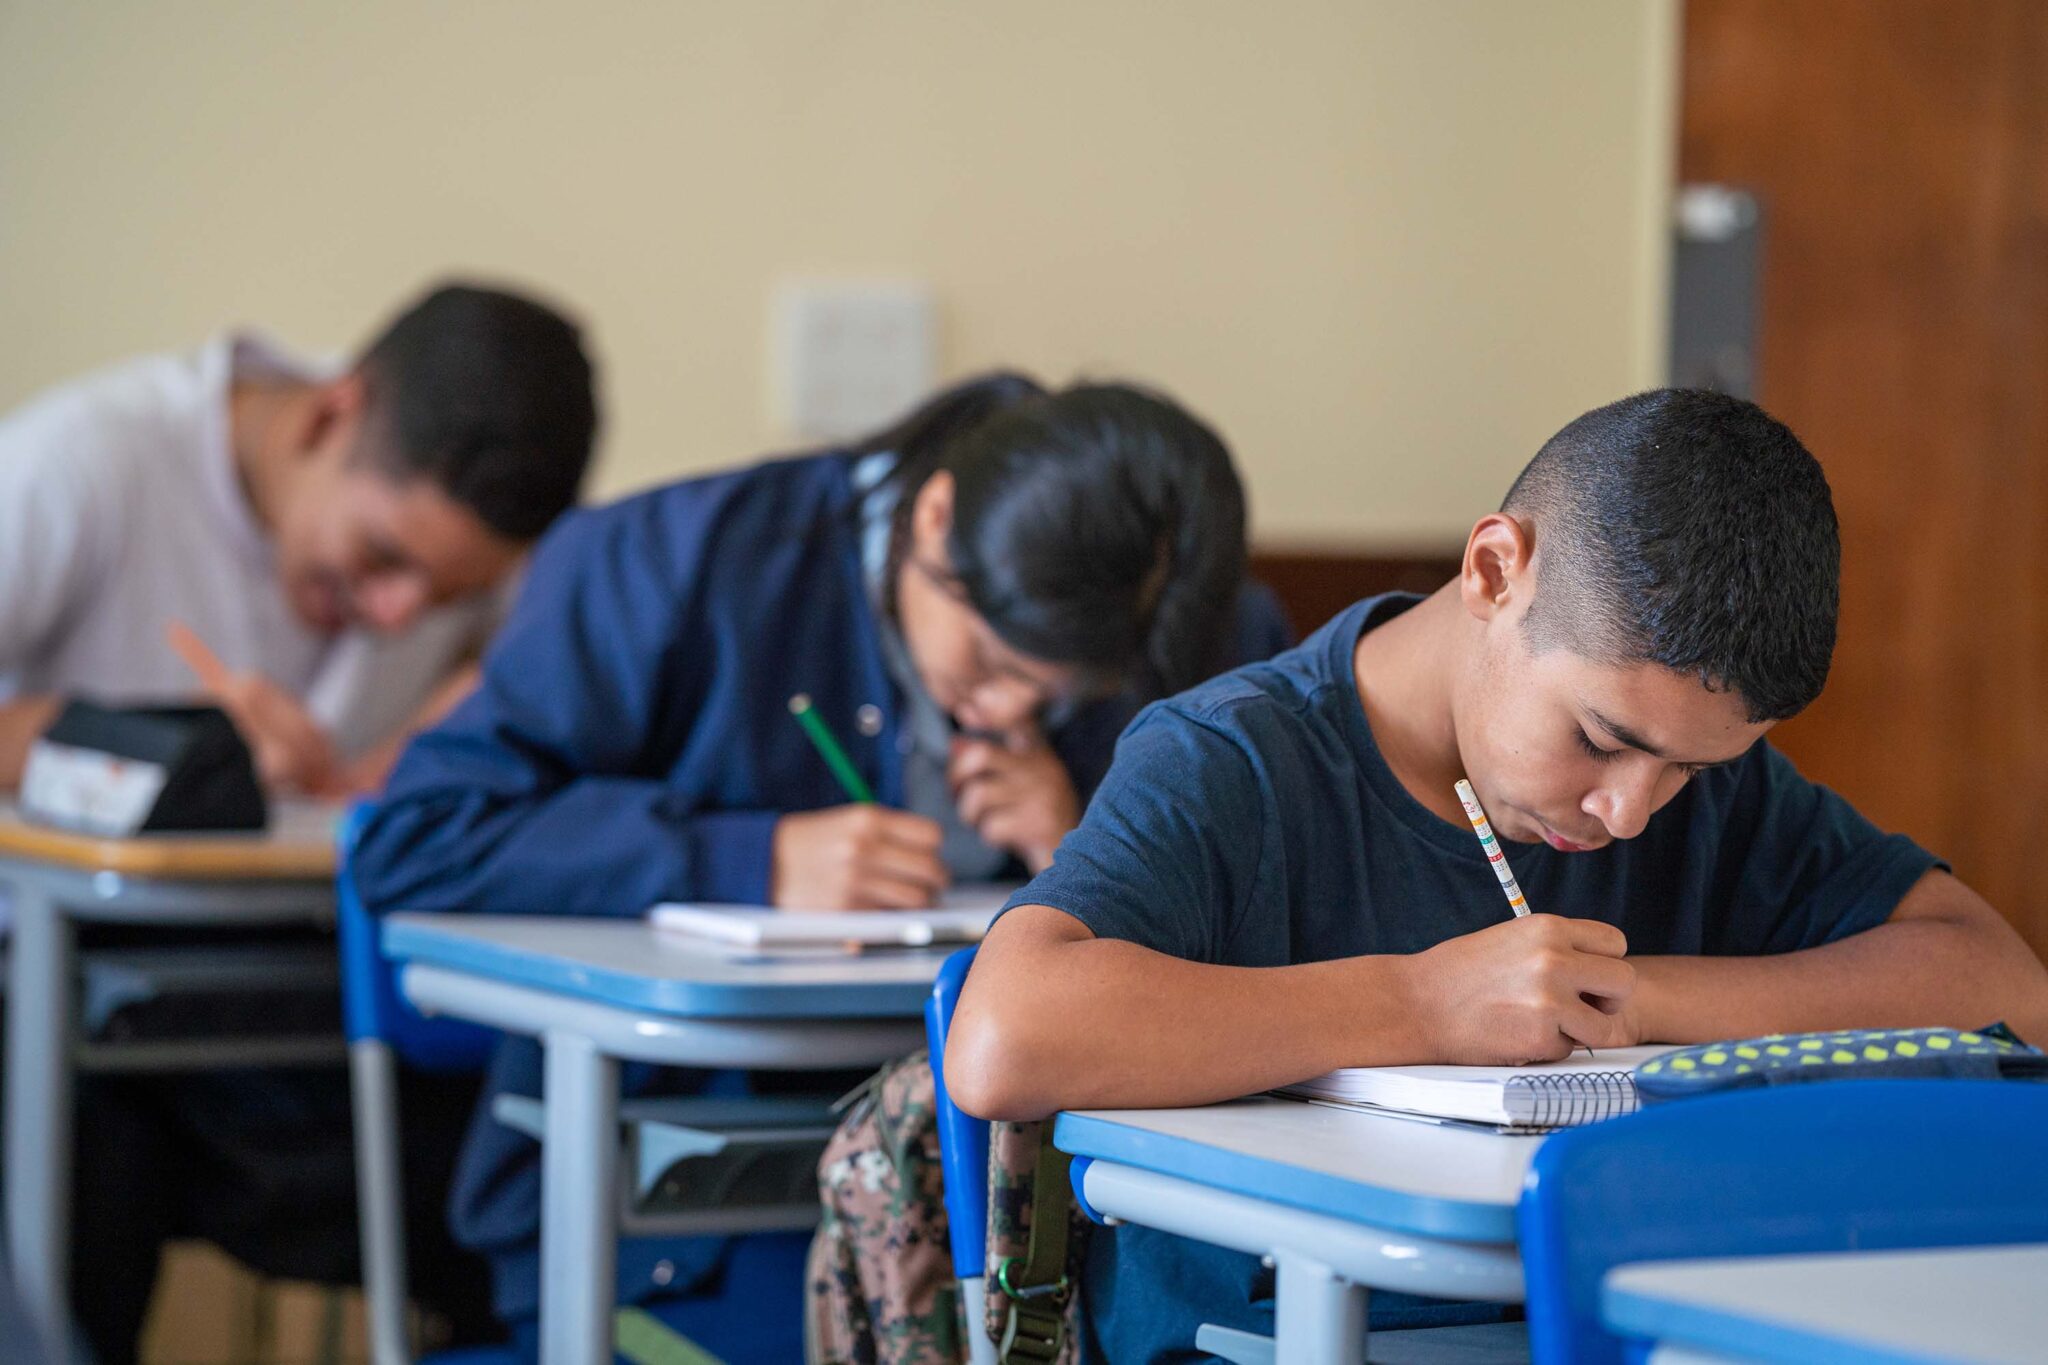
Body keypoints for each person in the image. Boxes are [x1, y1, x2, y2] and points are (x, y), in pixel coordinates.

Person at [947, 388, 2048, 1363]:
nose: (1628, 808)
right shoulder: (1231, 757)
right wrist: (1422, 1001)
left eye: (1689, 766)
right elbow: (1005, 1039)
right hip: (1264, 1336)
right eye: (1597, 737)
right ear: (1491, 571)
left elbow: (2001, 987)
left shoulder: (1703, 783)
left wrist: (1635, 1003)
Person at [355, 371, 1293, 1360]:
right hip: (694, 1219)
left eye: (1060, 697)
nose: (1009, 715)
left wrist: (1094, 840)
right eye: (989, 665)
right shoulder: (679, 560)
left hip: (1035, 1206)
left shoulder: (1179, 616)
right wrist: (747, 857)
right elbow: (417, 835)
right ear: (933, 520)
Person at [0, 280, 600, 1363]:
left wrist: (427, 739)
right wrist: (141, 736)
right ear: (330, 416)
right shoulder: (84, 467)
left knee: (519, 1155)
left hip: (297, 980)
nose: (393, 617)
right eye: (381, 561)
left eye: (443, 596)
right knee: (84, 1156)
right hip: (64, 988)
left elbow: (519, 661)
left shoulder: (438, 548)